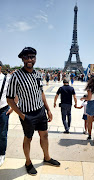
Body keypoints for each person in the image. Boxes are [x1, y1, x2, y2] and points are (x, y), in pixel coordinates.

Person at [6, 47, 60, 176]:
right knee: (28, 138)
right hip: (27, 114)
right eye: (26, 57)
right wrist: (22, 115)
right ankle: (28, 162)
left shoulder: (38, 74)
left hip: (40, 111)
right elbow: (10, 99)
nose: (30, 59)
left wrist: (48, 109)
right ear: (22, 59)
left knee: (44, 135)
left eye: (32, 57)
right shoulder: (16, 76)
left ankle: (46, 157)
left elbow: (40, 92)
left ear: (35, 59)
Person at [0, 61, 13, 167]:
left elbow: (15, 93)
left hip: (3, 110)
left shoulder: (7, 79)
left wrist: (13, 107)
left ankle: (1, 154)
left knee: (3, 134)